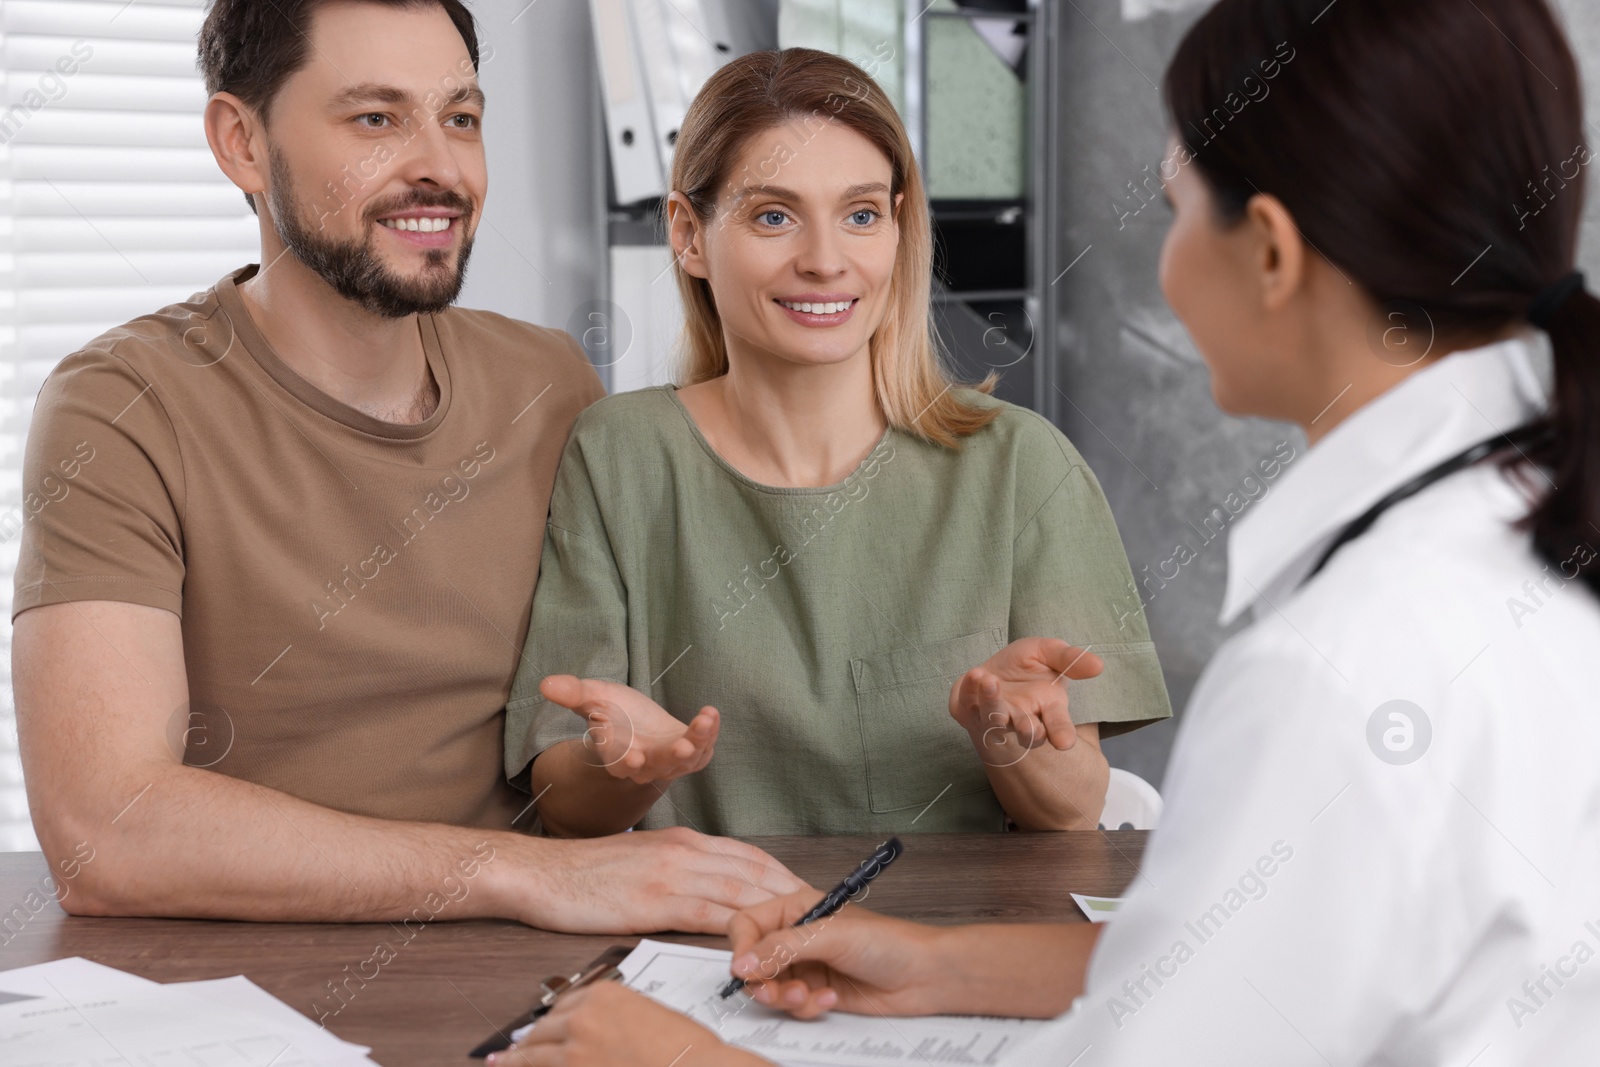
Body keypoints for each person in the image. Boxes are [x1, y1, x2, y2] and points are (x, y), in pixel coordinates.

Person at [499, 0, 1600, 1061]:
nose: (826, 257)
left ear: (1265, 251)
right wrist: (933, 966)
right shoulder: (1506, 554)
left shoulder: (1339, 670)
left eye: (1172, 206)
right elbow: (1251, 967)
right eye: (776, 213)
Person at [11, 0, 803, 936]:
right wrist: (524, 874)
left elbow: (583, 753)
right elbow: (108, 830)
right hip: (253, 982)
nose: (441, 166)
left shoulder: (549, 382)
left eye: (461, 118)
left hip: (538, 962)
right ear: (242, 143)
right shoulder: (121, 405)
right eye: (376, 118)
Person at [503, 49, 1172, 839]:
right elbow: (563, 800)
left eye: (860, 215)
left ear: (897, 227)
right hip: (709, 941)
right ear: (688, 235)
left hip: (952, 948)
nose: (825, 262)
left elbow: (1071, 813)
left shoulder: (1025, 467)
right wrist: (622, 768)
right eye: (773, 215)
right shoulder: (618, 454)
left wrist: (1009, 733)